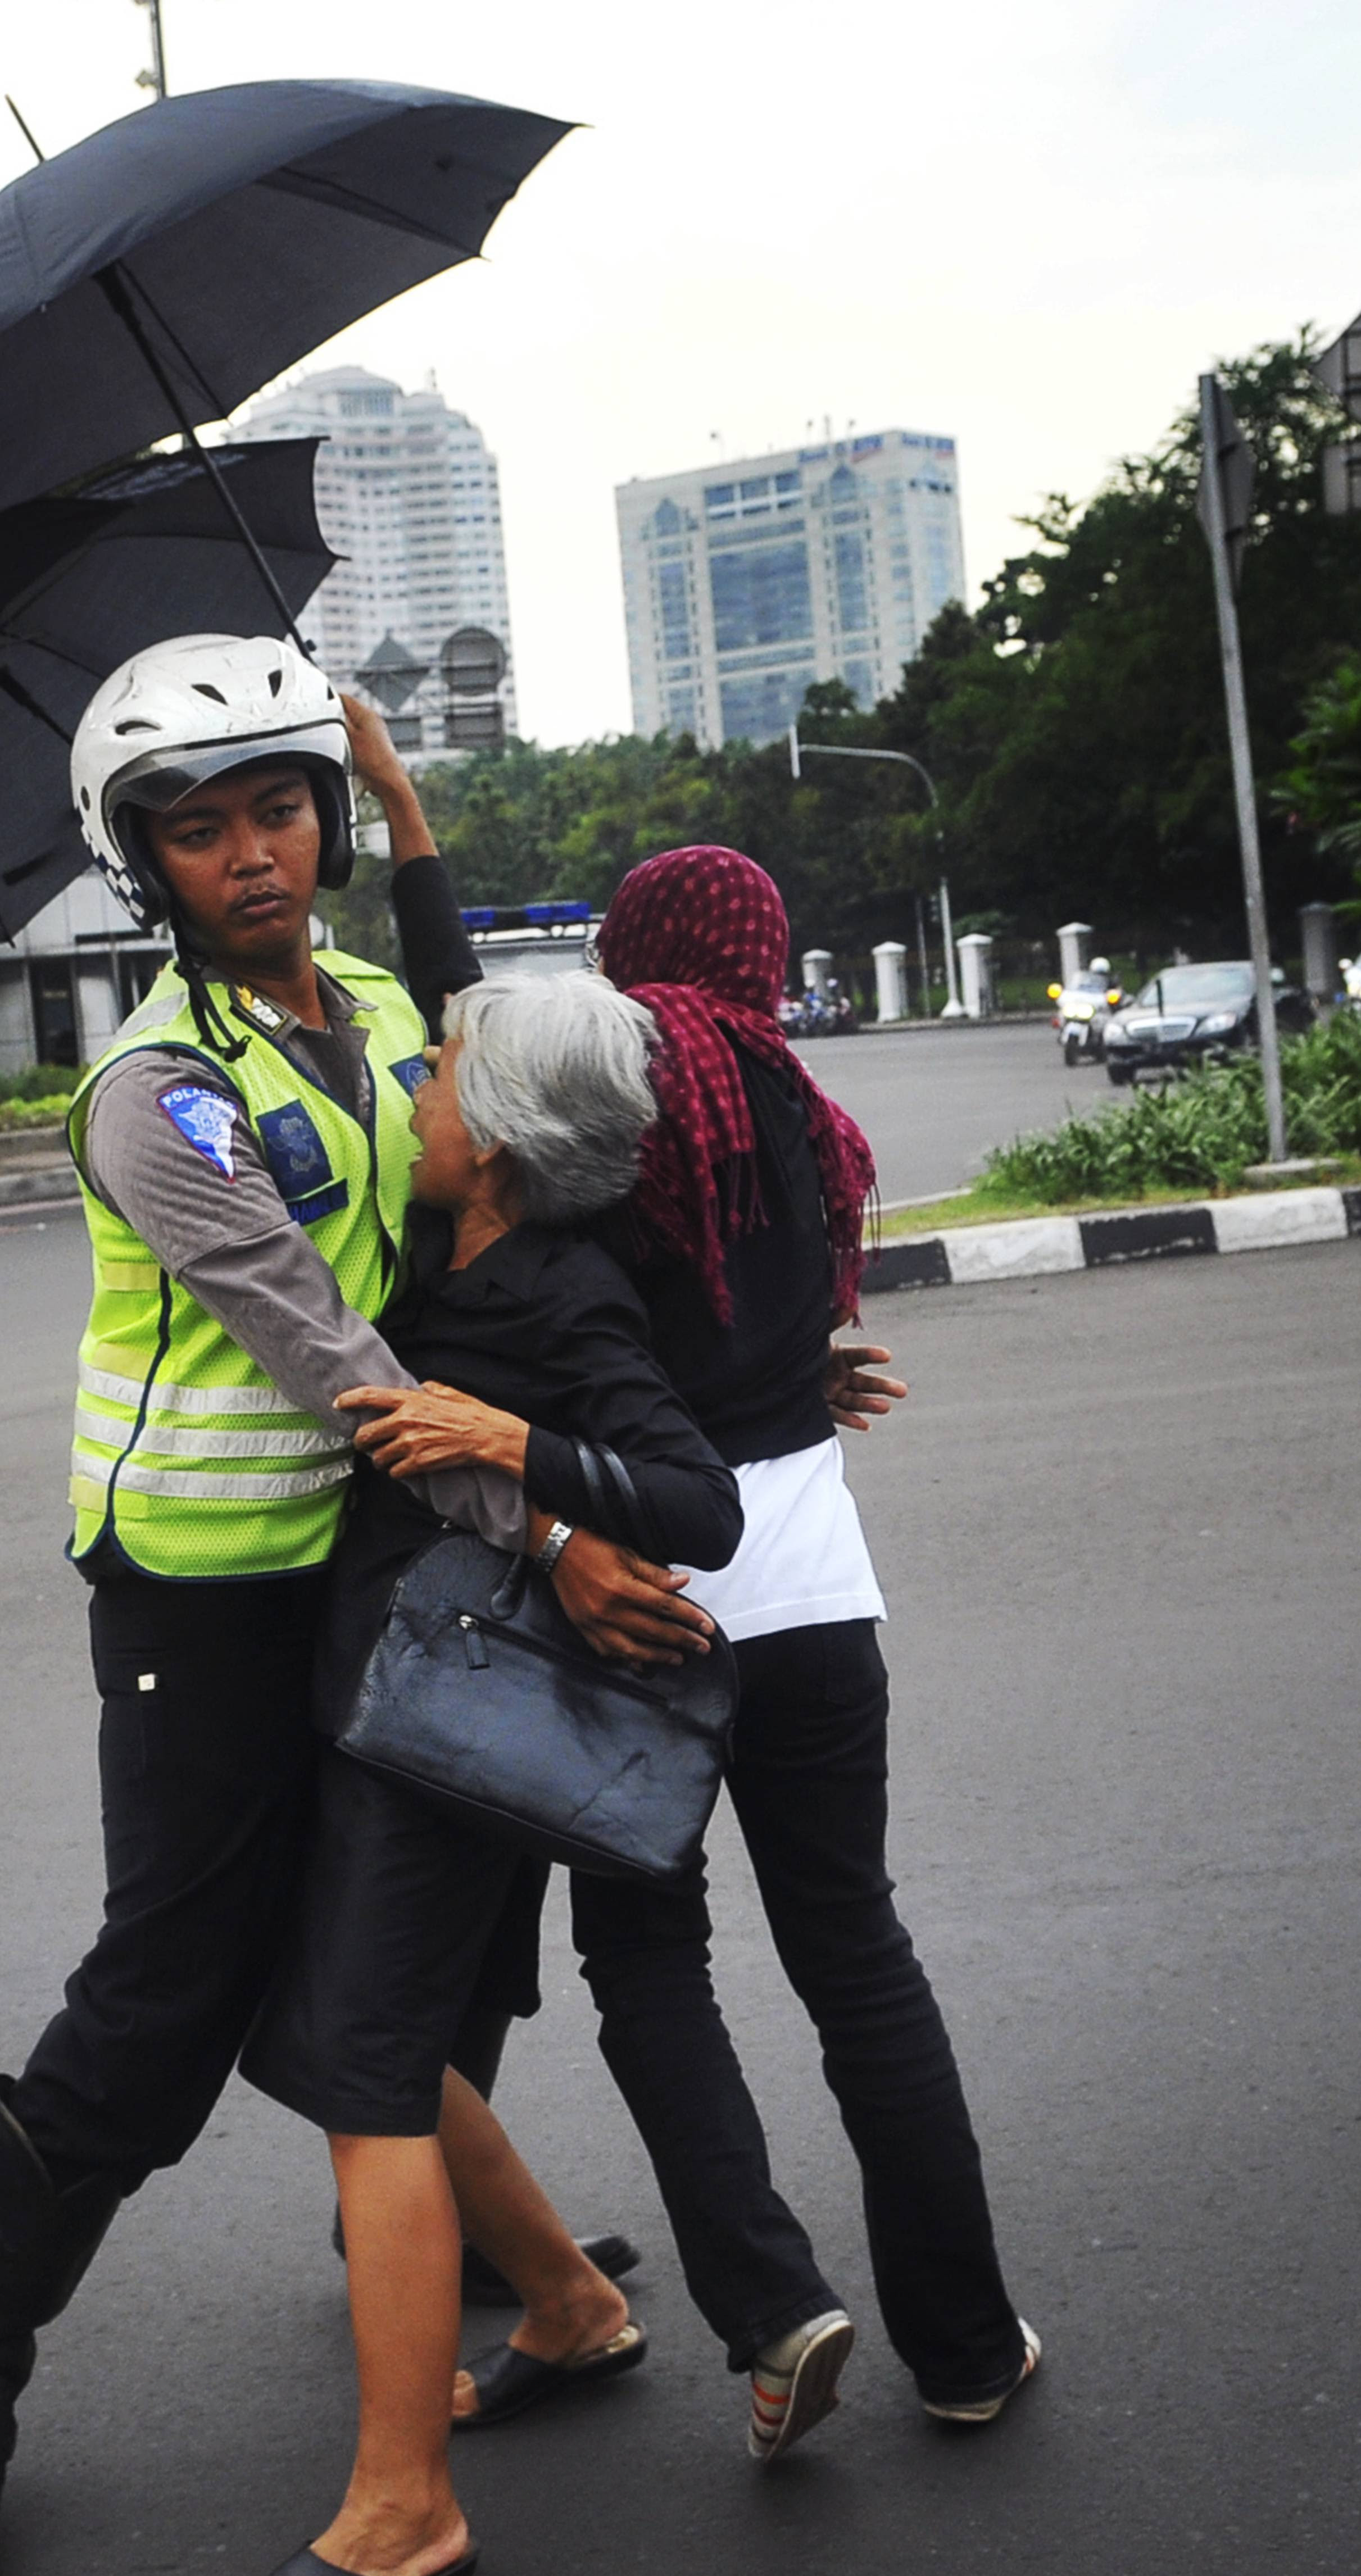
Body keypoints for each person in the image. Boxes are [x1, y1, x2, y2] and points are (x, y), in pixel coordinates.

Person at [0, 635, 654, 2576]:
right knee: (165, 2001)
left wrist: (407, 809)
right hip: (204, 1588)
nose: (251, 856)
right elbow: (335, 1359)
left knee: (415, 1939)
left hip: (381, 1563)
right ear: (143, 864)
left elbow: (513, 1116)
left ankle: (501, 2262)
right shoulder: (155, 1093)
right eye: (200, 828)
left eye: (277, 808)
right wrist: (560, 1530)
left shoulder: (382, 1001)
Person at [350, 846, 1037, 2459]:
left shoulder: (625, 1103)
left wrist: (405, 831)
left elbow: (491, 1066)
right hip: (808, 1589)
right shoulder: (793, 1113)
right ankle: (962, 2348)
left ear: (630, 950)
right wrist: (809, 1371)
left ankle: (774, 2303)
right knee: (854, 1957)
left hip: (634, 1597)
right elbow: (760, 1336)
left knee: (649, 1966)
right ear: (763, 948)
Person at [221, 970, 734, 2576]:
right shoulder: (465, 1237)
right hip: (390, 1703)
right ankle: (571, 2303)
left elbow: (696, 1499)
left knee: (368, 2076)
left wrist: (518, 1444)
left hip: (446, 1753)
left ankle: (403, 2511)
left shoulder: (563, 1289)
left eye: (438, 1070)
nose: (416, 1084)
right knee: (366, 2040)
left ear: (498, 1137)